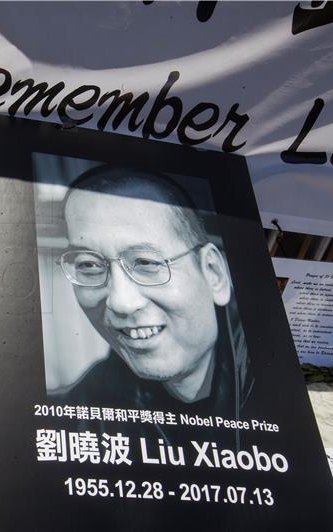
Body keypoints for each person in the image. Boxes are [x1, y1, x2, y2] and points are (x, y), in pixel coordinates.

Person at [58, 165, 252, 443]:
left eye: (147, 263)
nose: (121, 302)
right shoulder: (86, 411)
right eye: (89, 265)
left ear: (213, 273)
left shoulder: (278, 387)